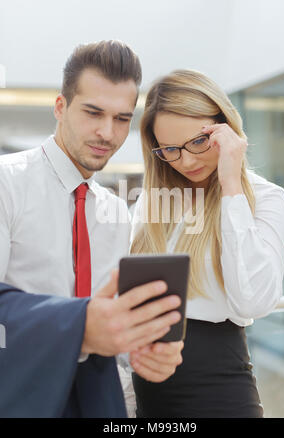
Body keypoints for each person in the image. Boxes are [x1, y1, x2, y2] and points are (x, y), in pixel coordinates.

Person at [0, 41, 184, 418]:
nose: (107, 133)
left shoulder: (116, 210)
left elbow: (112, 330)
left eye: (121, 118)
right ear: (60, 107)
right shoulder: (6, 184)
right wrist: (79, 327)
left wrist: (144, 352)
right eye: (93, 112)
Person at [129, 69, 284, 418]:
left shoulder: (264, 198)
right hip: (148, 395)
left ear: (225, 128)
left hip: (219, 394)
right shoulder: (152, 202)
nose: (186, 161)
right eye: (170, 149)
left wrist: (231, 183)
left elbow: (253, 301)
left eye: (198, 142)